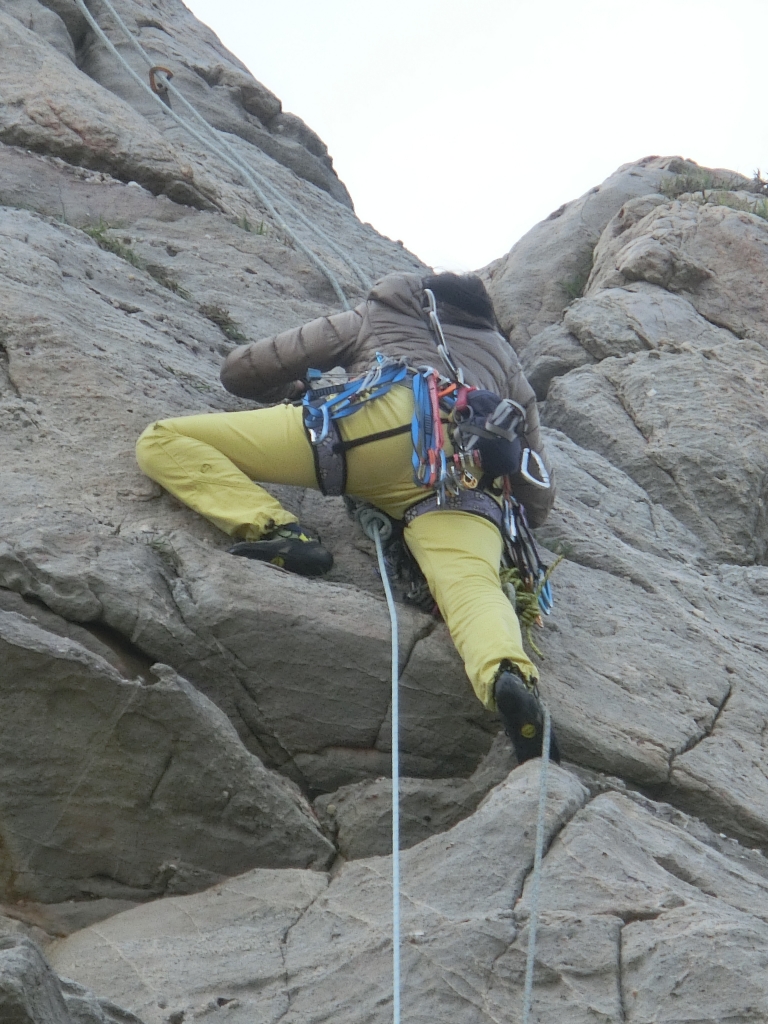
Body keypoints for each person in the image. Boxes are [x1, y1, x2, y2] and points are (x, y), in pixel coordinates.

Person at [135, 271, 560, 764]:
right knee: (472, 584)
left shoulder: (381, 312)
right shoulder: (505, 360)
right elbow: (537, 496)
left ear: (425, 293)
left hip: (378, 423)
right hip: (464, 470)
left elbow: (242, 369)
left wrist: (294, 390)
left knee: (164, 439)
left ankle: (281, 531)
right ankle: (506, 673)